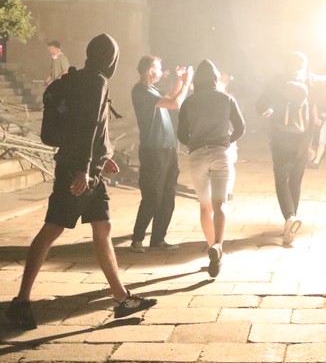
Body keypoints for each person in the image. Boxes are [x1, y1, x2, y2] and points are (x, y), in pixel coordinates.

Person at [6, 34, 156, 330]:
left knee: (103, 227)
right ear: (111, 58)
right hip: (78, 170)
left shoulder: (80, 79)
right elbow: (87, 126)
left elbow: (90, 129)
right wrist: (84, 169)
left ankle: (121, 298)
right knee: (52, 228)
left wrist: (102, 158)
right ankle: (21, 301)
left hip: (87, 168)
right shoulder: (97, 82)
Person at [177, 59, 246, 278]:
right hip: (220, 154)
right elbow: (241, 127)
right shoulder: (226, 99)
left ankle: (211, 248)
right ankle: (218, 245)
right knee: (220, 204)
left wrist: (194, 142)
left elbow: (181, 134)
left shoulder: (189, 102)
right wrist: (227, 141)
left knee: (204, 207)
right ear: (216, 78)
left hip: (197, 156)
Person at [130, 56, 193, 252]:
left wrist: (180, 81)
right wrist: (187, 82)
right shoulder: (140, 91)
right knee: (152, 195)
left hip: (168, 149)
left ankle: (158, 239)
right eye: (158, 68)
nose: (160, 71)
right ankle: (137, 239)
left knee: (168, 196)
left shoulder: (153, 90)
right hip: (153, 150)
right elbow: (175, 103)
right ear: (150, 70)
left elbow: (171, 96)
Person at [256, 52, 313, 245]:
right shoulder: (308, 81)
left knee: (282, 179)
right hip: (302, 138)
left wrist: (268, 109)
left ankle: (289, 217)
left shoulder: (277, 81)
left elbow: (261, 103)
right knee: (296, 180)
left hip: (281, 137)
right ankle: (292, 219)